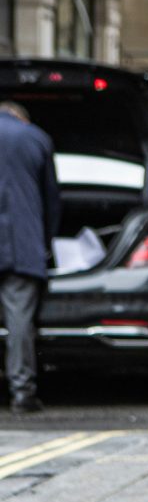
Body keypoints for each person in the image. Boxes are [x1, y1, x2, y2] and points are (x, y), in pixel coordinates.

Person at [0, 101, 58, 413]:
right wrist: (46, 244)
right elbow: (52, 200)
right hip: (21, 244)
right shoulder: (35, 137)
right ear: (21, 117)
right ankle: (22, 393)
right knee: (19, 320)